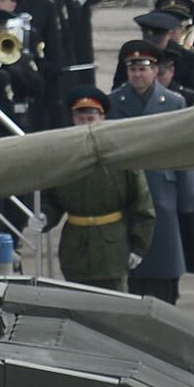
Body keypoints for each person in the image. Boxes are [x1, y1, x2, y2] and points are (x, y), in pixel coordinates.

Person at [107, 40, 194, 304]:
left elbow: (184, 152)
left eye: (143, 69)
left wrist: (187, 199)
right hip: (126, 194)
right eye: (133, 69)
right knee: (131, 269)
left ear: (156, 70)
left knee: (163, 262)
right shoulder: (114, 102)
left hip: (162, 192)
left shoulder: (173, 102)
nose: (138, 75)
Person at [44, 87, 154, 292]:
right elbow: (52, 199)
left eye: (91, 119)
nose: (86, 124)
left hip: (112, 248)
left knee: (115, 304)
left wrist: (139, 247)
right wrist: (44, 217)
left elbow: (142, 205)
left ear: (102, 118)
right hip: (75, 249)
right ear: (73, 119)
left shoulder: (120, 157)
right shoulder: (63, 157)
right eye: (81, 119)